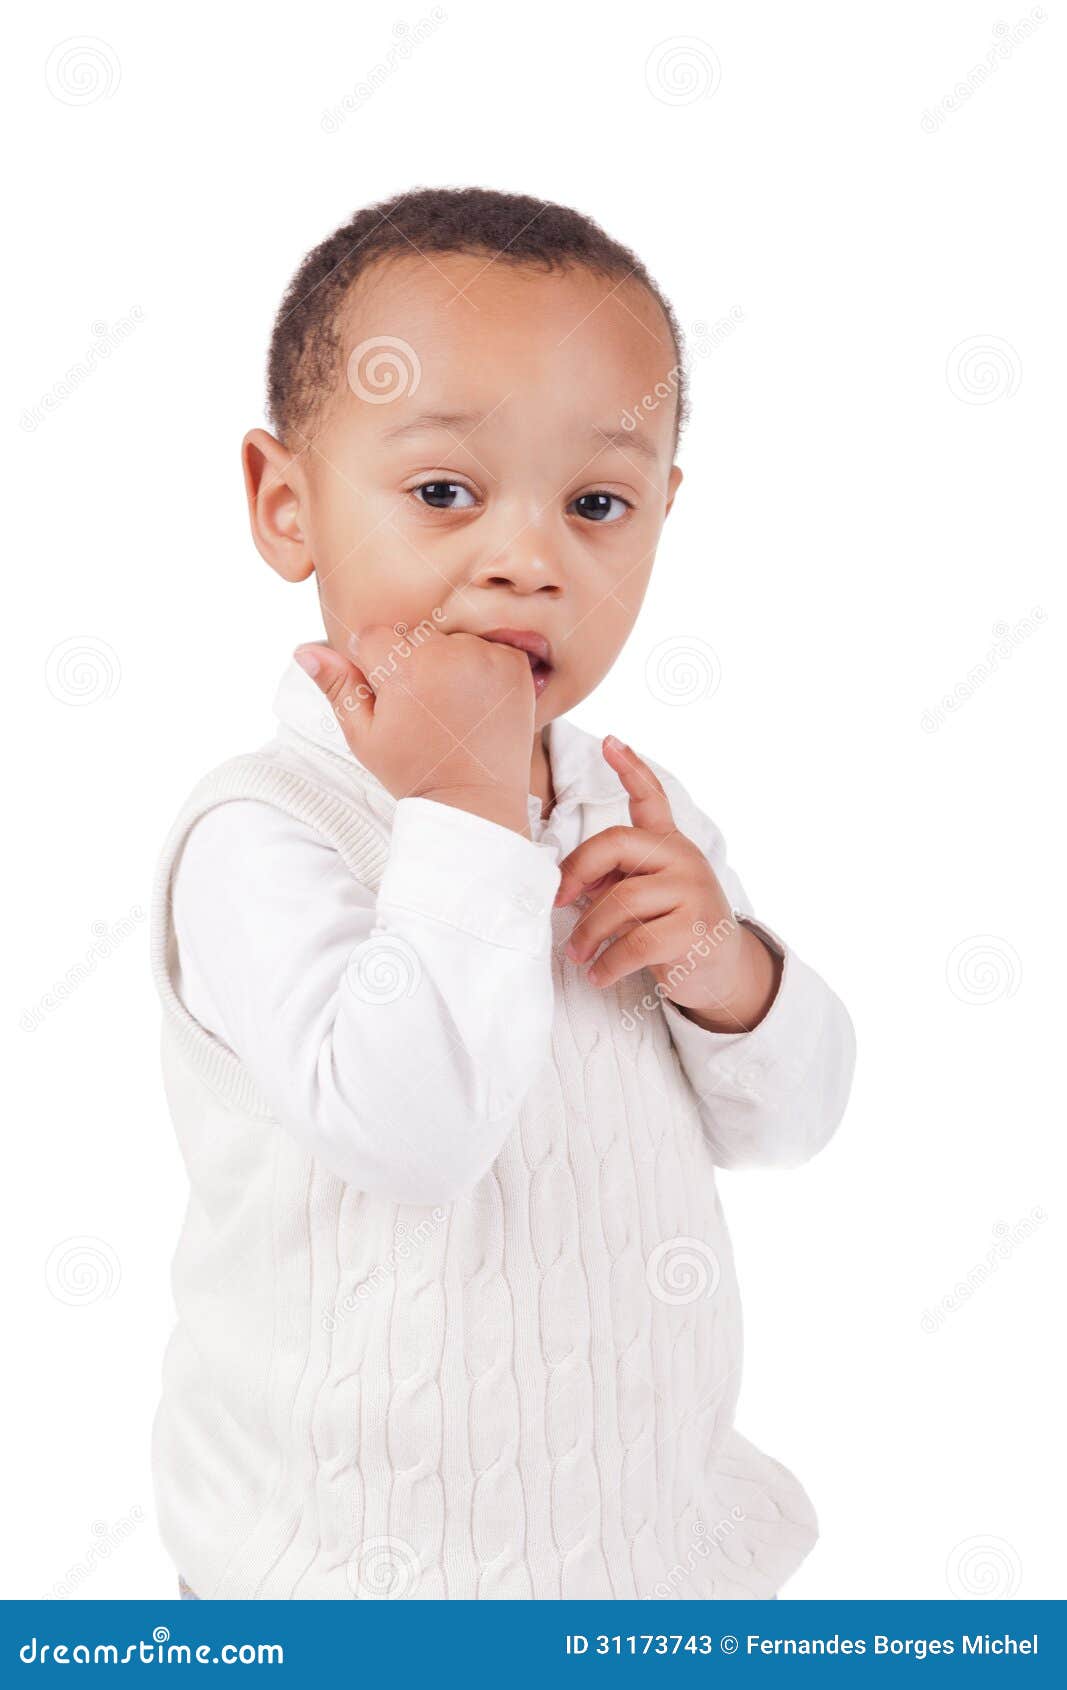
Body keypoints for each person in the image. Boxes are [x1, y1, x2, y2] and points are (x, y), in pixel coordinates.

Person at [150, 186, 856, 1601]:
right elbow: (411, 1131)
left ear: (661, 516)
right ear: (286, 504)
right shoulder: (260, 834)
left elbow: (795, 1118)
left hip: (651, 1564)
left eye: (598, 503)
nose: (528, 558)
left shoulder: (623, 803)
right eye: (444, 492)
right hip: (351, 1580)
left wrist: (729, 972)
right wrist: (462, 802)